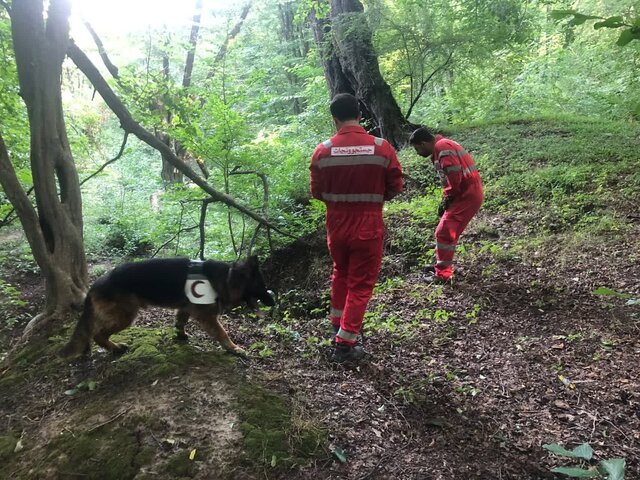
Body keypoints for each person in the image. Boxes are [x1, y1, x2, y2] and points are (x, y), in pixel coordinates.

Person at [310, 93, 403, 364]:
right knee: (361, 285)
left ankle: (337, 323)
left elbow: (317, 192)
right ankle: (345, 346)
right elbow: (395, 186)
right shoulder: (381, 147)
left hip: (337, 227)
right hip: (368, 226)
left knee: (341, 273)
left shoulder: (323, 150)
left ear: (335, 119)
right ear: (360, 115)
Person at [409, 127, 483, 283]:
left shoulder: (442, 148)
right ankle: (441, 267)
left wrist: (449, 197)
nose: (417, 153)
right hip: (467, 193)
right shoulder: (442, 146)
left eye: (417, 148)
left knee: (444, 232)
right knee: (447, 232)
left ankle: (442, 274)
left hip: (466, 194)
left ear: (423, 143)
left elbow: (454, 176)